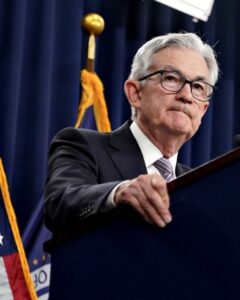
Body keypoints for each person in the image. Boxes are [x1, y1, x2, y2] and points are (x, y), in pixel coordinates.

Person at [44, 32, 219, 233]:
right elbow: (59, 203)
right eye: (171, 78)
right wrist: (118, 192)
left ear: (203, 109)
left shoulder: (200, 185)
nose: (187, 95)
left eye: (198, 86)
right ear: (135, 93)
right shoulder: (81, 145)